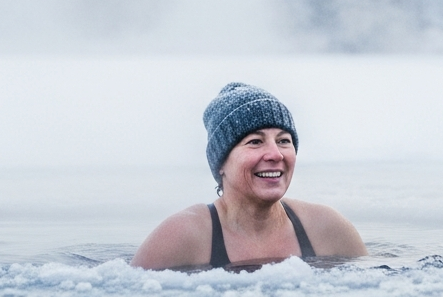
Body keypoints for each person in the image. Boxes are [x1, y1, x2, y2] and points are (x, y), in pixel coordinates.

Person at [131, 82, 367, 270]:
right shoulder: (182, 236)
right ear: (221, 163)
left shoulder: (326, 228)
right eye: (255, 142)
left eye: (284, 141)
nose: (275, 154)